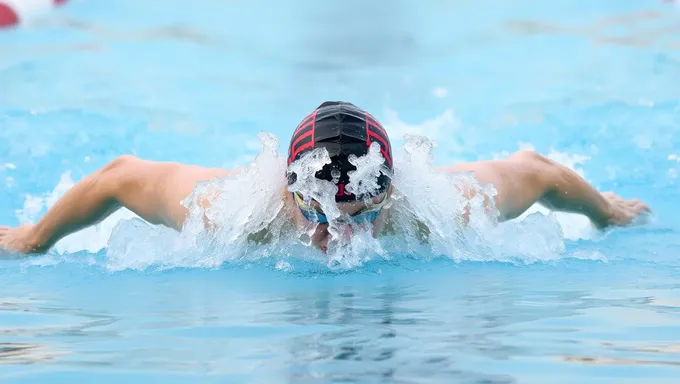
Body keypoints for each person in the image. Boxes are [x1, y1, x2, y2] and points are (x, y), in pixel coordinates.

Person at [0, 101, 650, 255]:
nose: (335, 235)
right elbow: (120, 176)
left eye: (361, 215)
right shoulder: (232, 214)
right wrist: (33, 239)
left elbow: (536, 171)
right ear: (288, 191)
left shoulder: (440, 210)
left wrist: (606, 214)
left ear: (387, 192)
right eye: (316, 214)